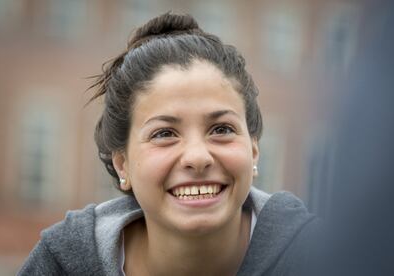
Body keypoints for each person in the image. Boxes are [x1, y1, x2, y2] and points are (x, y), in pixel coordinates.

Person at [19, 13, 318, 276]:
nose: (198, 157)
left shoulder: (323, 260)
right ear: (122, 163)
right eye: (164, 133)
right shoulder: (63, 264)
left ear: (254, 150)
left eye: (222, 129)